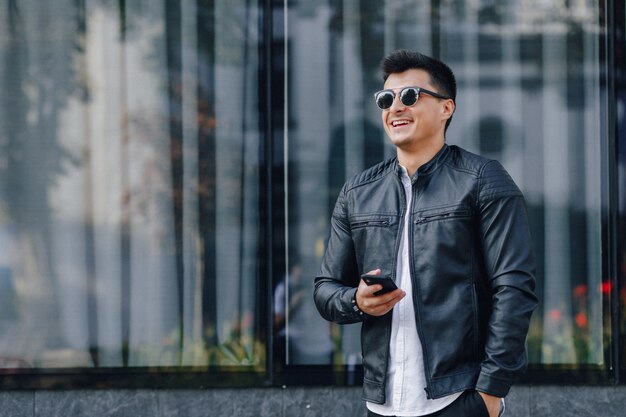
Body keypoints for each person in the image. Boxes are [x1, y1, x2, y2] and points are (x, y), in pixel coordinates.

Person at [313, 50, 537, 417]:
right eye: (386, 99)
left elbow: (514, 288)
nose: (395, 107)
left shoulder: (483, 180)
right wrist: (356, 300)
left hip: (458, 398)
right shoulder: (357, 192)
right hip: (382, 404)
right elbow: (325, 288)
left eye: (410, 96)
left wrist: (490, 393)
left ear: (446, 107)